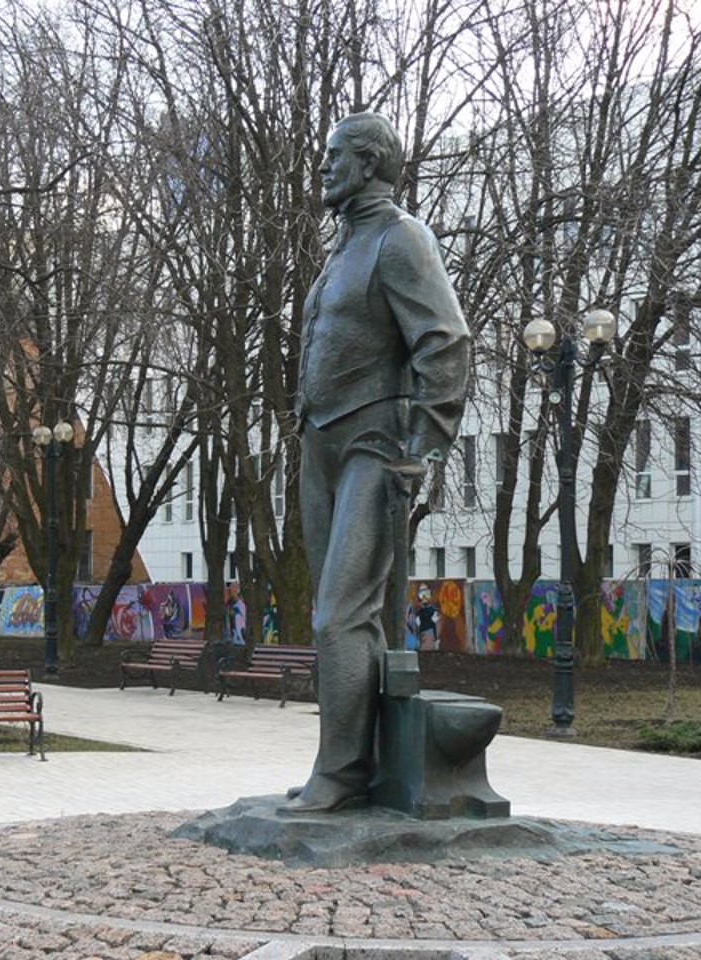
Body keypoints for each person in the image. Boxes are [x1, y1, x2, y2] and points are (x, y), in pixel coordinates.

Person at [287, 112, 470, 813]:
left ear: (368, 164)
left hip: (374, 443)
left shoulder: (400, 238)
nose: (324, 168)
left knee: (341, 613)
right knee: (338, 615)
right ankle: (347, 767)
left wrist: (424, 445)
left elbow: (445, 341)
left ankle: (340, 774)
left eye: (335, 157)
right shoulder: (344, 248)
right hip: (321, 444)